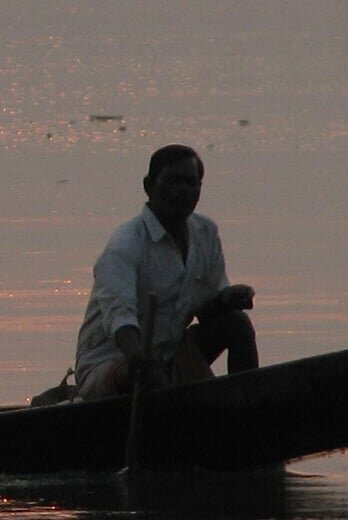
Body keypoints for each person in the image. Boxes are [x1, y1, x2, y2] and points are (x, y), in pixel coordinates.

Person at [70, 144, 258, 401]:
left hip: (170, 355)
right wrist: (140, 362)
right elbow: (120, 321)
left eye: (191, 183)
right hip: (113, 363)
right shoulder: (125, 245)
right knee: (148, 377)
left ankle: (248, 407)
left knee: (237, 324)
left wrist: (228, 299)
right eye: (172, 181)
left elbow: (206, 310)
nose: (182, 190)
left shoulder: (206, 234)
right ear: (149, 186)